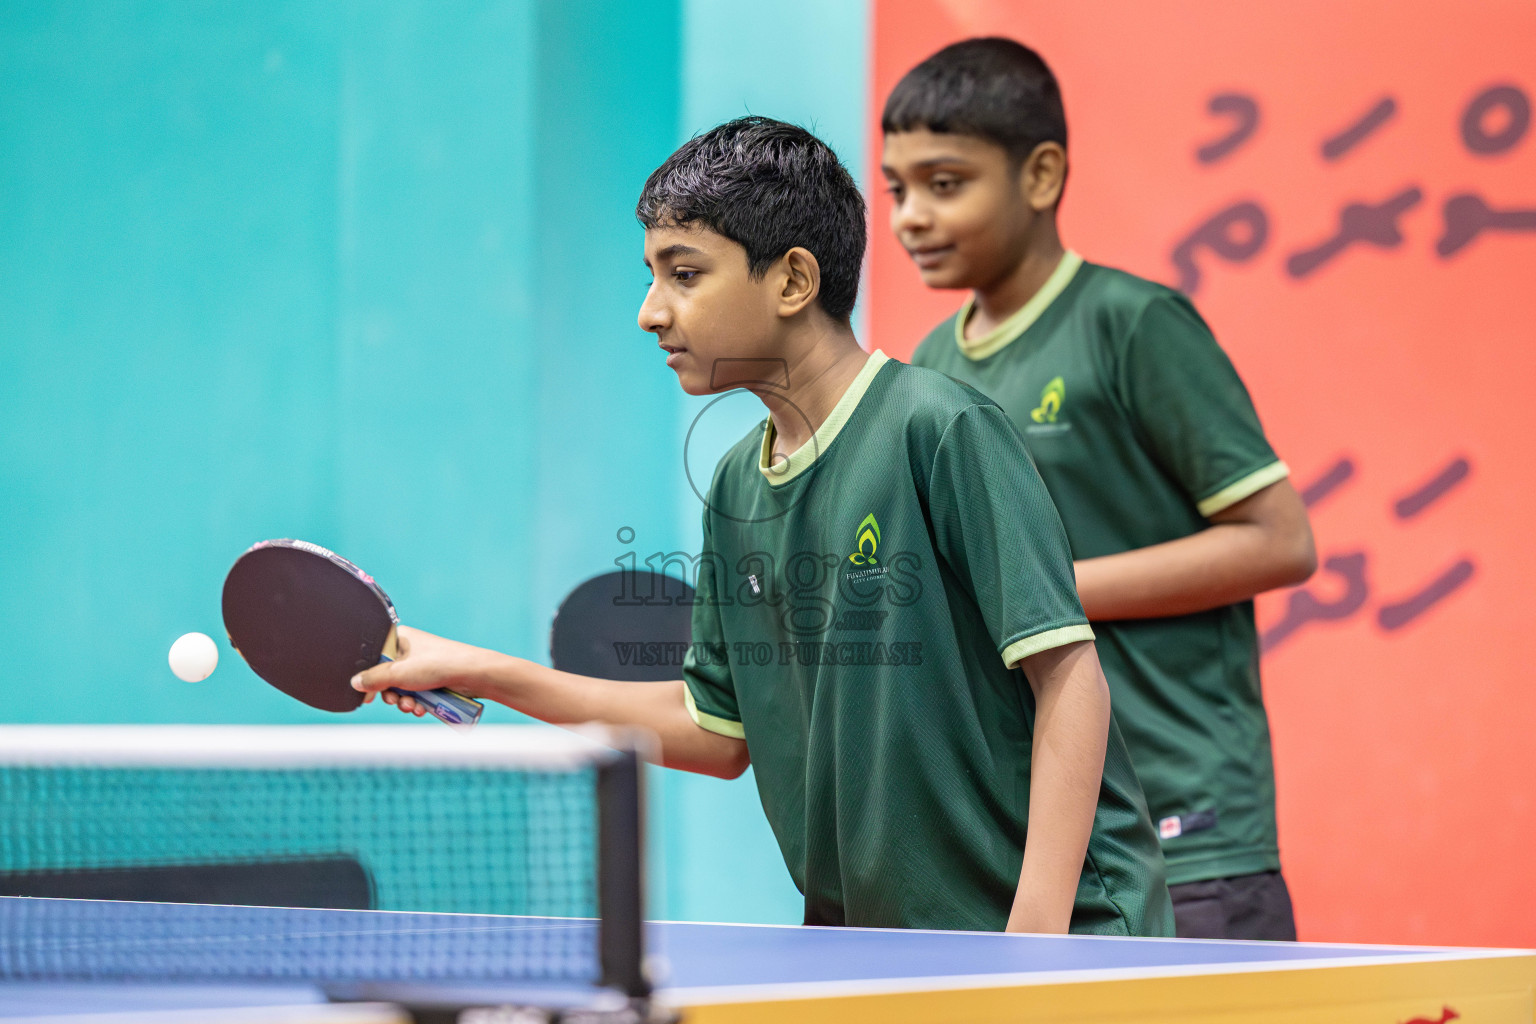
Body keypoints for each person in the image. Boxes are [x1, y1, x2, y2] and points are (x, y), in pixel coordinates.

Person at [354, 116, 1172, 936]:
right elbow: (716, 734)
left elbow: (1070, 680)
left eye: (684, 275)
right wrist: (487, 671)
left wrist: (1033, 943)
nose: (649, 312)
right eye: (651, 276)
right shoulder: (738, 482)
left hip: (1058, 940)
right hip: (885, 950)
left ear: (791, 281)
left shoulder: (939, 427)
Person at [882, 38, 1317, 940]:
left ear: (1041, 175)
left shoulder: (1133, 325)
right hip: (1037, 844)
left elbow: (1280, 540)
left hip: (1188, 828)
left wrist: (1042, 599)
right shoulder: (927, 369)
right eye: (896, 189)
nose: (910, 217)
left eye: (945, 182)